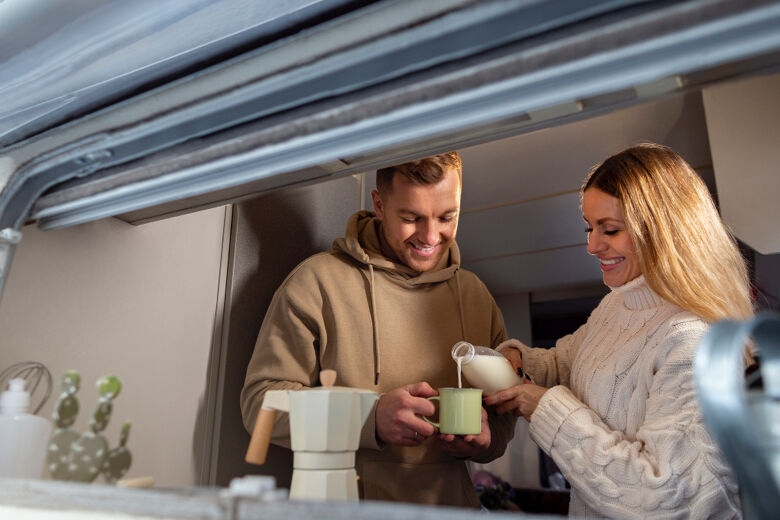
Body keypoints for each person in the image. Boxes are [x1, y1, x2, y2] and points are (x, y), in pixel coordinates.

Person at [485, 143, 752, 519]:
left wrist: (542, 405)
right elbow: (566, 362)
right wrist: (517, 360)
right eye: (589, 228)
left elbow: (661, 495)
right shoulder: (617, 305)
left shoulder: (693, 341)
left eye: (609, 229)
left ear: (661, 229)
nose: (592, 245)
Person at [240, 151, 515, 507]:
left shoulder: (476, 295)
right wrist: (367, 418)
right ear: (379, 204)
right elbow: (259, 407)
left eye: (447, 217)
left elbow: (504, 411)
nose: (431, 236)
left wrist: (487, 438)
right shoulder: (316, 282)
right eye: (412, 217)